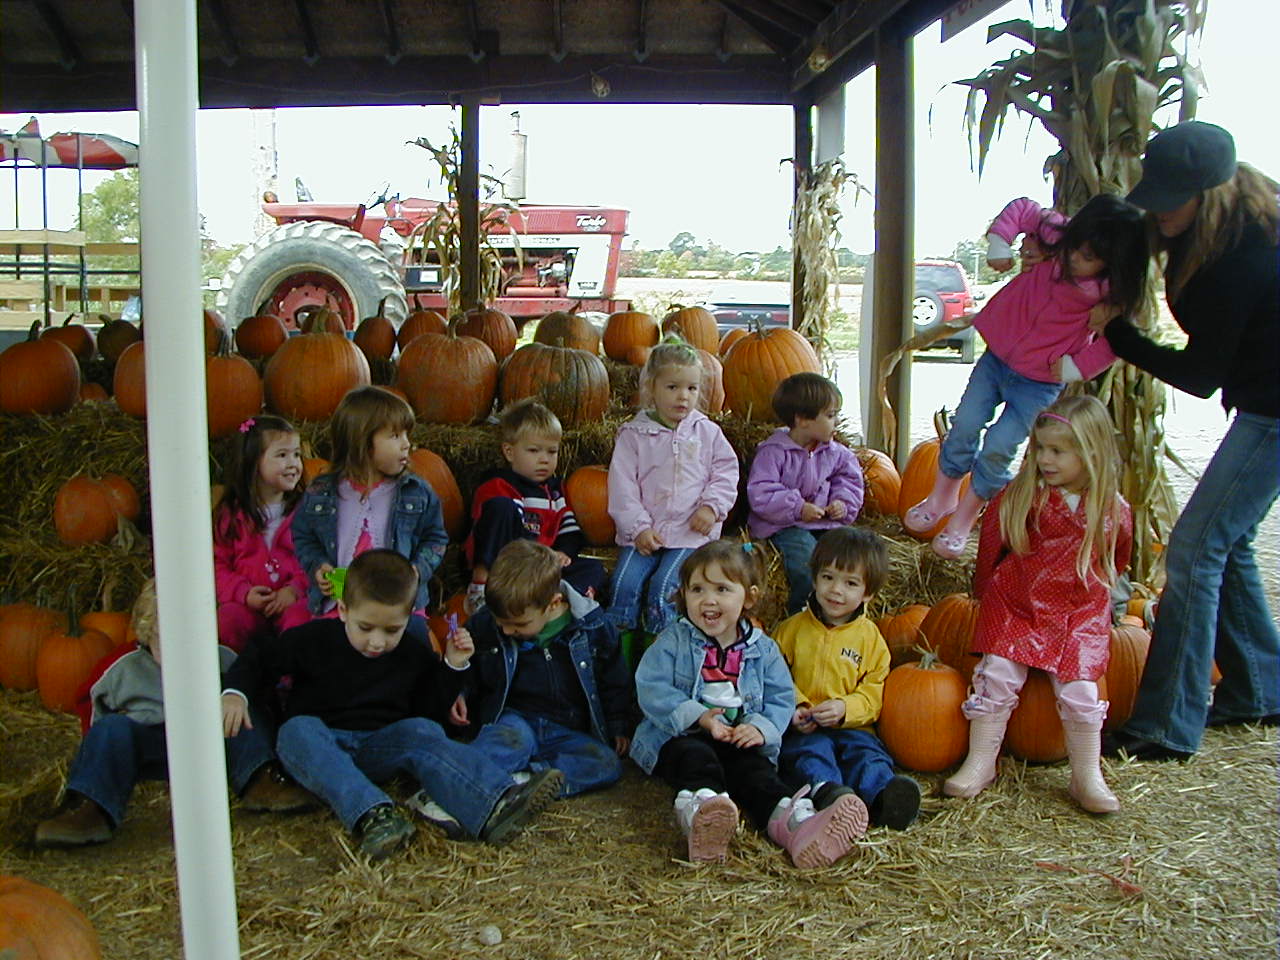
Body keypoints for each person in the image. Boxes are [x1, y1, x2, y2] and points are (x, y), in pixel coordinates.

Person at [1093, 120, 1280, 760]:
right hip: (1264, 402)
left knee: (1196, 549)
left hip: (1274, 413)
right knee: (1228, 541)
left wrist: (1120, 336)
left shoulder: (1244, 256)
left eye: (1173, 198)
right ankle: (1261, 689)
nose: (1161, 209)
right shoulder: (1223, 230)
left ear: (1212, 192)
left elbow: (1201, 376)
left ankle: (1165, 725)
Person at [221, 549, 563, 860]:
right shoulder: (312, 640)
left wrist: (453, 665)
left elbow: (429, 714)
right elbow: (260, 657)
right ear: (343, 609)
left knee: (421, 730)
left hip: (377, 746)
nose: (377, 641)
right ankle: (375, 815)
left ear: (407, 618)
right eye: (366, 627)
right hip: (321, 747)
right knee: (296, 731)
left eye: (391, 630)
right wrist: (236, 692)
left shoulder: (412, 653)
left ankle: (496, 803)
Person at [904, 193, 1149, 560]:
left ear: (1111, 262)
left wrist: (1076, 367)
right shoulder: (1058, 235)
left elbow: (1116, 341)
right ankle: (942, 496)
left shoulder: (1109, 294)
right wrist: (1000, 244)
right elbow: (1022, 209)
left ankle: (965, 518)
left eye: (1088, 258)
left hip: (1039, 382)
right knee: (965, 422)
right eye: (1075, 248)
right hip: (997, 359)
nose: (1074, 259)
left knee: (1001, 445)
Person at [943, 396, 1132, 814]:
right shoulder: (1024, 494)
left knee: (1081, 690)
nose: (1045, 459)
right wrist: (984, 591)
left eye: (1057, 451)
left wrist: (1103, 598)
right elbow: (992, 542)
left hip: (1077, 613)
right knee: (996, 674)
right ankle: (981, 761)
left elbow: (1117, 557)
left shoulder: (1112, 509)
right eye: (1040, 448)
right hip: (1019, 603)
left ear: (1091, 453)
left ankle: (1086, 774)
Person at [631, 541, 868, 867]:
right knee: (696, 760)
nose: (708, 599)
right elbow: (652, 687)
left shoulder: (764, 650)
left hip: (738, 740)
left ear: (749, 597)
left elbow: (781, 697)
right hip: (683, 736)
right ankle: (702, 813)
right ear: (683, 594)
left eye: (722, 589)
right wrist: (699, 717)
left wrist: (759, 728)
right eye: (697, 589)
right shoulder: (673, 640)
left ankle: (792, 824)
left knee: (757, 775)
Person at [34, 579, 313, 848]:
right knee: (111, 729)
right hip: (154, 743)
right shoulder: (121, 668)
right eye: (167, 642)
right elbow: (91, 706)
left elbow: (259, 695)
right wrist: (97, 751)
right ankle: (92, 805)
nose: (180, 652)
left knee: (240, 703)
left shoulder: (223, 657)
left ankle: (260, 777)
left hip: (213, 743)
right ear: (147, 633)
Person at [459, 540, 634, 797]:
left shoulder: (595, 627)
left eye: (518, 624)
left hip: (567, 728)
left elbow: (614, 681)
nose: (506, 630)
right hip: (516, 720)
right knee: (496, 744)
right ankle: (457, 785)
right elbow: (473, 669)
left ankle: (528, 779)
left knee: (605, 763)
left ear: (553, 603)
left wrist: (618, 724)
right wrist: (461, 690)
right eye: (501, 622)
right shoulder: (485, 624)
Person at [774, 527, 921, 830]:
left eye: (850, 583)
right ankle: (829, 793)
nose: (836, 590)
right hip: (805, 727)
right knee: (809, 754)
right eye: (828, 577)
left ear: (868, 592)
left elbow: (873, 693)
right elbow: (774, 678)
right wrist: (796, 705)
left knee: (867, 756)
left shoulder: (872, 640)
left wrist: (845, 709)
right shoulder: (791, 630)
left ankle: (885, 798)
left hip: (854, 728)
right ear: (814, 578)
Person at [606, 339, 739, 663]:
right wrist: (638, 528)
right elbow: (622, 487)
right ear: (651, 388)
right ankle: (619, 660)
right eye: (673, 387)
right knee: (623, 584)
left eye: (692, 388)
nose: (683, 396)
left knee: (665, 587)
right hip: (645, 533)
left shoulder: (707, 432)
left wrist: (711, 507)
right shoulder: (634, 435)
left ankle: (661, 657)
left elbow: (725, 473)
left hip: (690, 532)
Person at [292, 386, 448, 616]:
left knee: (415, 635)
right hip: (341, 603)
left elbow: (435, 538)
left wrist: (417, 570)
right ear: (361, 442)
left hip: (400, 606)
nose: (407, 444)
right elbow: (304, 536)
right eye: (395, 436)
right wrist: (318, 565)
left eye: (406, 435)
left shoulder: (415, 492)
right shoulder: (322, 491)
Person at [463, 399, 607, 613]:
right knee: (502, 508)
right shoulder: (497, 485)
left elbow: (569, 529)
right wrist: (540, 555)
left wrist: (562, 552)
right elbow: (495, 529)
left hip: (539, 568)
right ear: (509, 452)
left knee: (594, 569)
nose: (544, 460)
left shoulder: (555, 491)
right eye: (534, 451)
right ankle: (481, 586)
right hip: (506, 564)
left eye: (552, 452)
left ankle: (560, 600)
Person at [747, 373, 864, 615]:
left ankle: (850, 614)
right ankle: (803, 614)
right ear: (802, 420)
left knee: (852, 553)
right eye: (830, 416)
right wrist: (798, 508)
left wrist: (841, 503)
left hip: (825, 522)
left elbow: (849, 480)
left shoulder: (836, 453)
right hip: (786, 524)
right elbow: (761, 492)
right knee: (806, 564)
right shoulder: (773, 452)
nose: (836, 421)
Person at [213, 414, 312, 652]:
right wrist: (243, 593)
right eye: (282, 455)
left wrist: (295, 589)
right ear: (253, 462)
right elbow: (216, 565)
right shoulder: (230, 515)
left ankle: (291, 671)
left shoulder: (308, 511)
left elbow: (318, 558)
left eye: (297, 454)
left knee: (304, 619)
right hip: (249, 606)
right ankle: (237, 670)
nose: (293, 463)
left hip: (293, 602)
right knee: (228, 619)